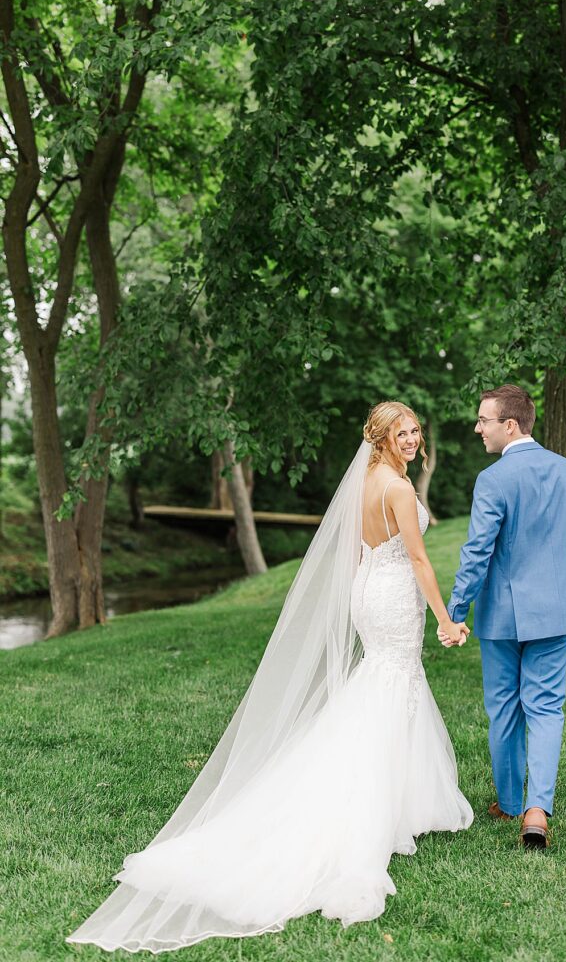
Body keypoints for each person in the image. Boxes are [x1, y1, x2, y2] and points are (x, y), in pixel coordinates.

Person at [67, 401, 472, 953]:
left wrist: (362, 599)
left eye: (414, 431)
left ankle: (400, 800)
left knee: (384, 682)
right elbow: (422, 561)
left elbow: (358, 551)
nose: (410, 438)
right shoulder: (398, 490)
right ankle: (372, 807)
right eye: (400, 432)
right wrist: (446, 619)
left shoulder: (366, 483)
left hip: (370, 591)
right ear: (379, 439)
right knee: (391, 681)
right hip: (394, 593)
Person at [439, 385, 566, 849]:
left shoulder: (494, 479)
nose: (476, 428)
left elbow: (477, 551)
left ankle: (508, 802)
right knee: (546, 709)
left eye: (483, 420)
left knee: (504, 707)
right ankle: (537, 810)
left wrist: (456, 609)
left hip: (503, 615)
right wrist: (558, 588)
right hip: (558, 611)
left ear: (509, 425)